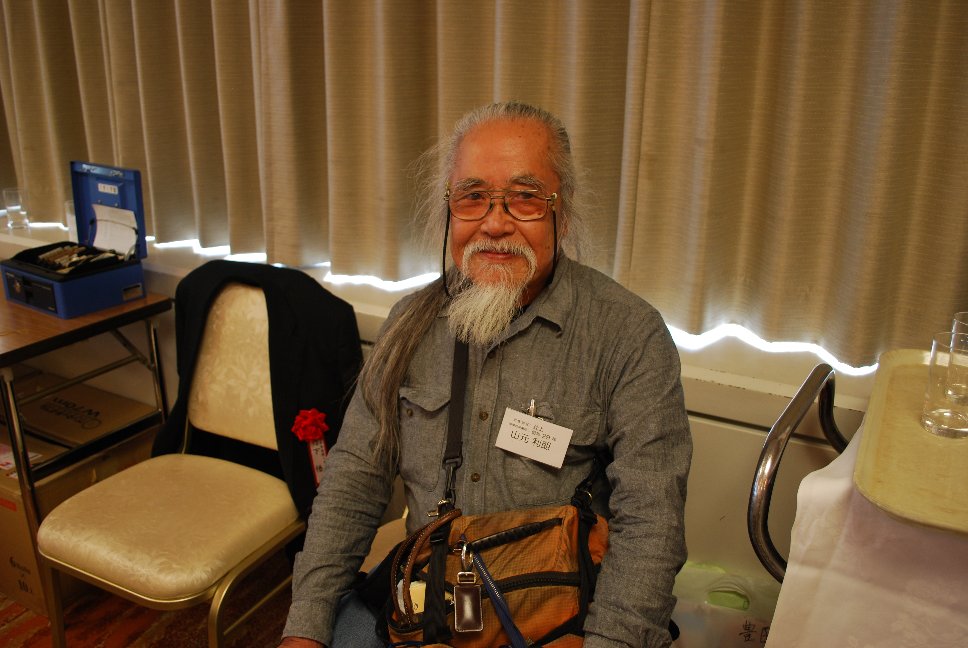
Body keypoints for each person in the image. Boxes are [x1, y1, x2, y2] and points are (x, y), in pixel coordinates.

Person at [280, 101, 691, 648]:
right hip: (428, 599)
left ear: (563, 214)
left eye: (525, 197)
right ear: (450, 210)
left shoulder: (628, 334)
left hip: (558, 613)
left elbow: (652, 526)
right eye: (472, 197)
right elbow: (353, 482)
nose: (495, 224)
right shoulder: (409, 323)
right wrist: (304, 628)